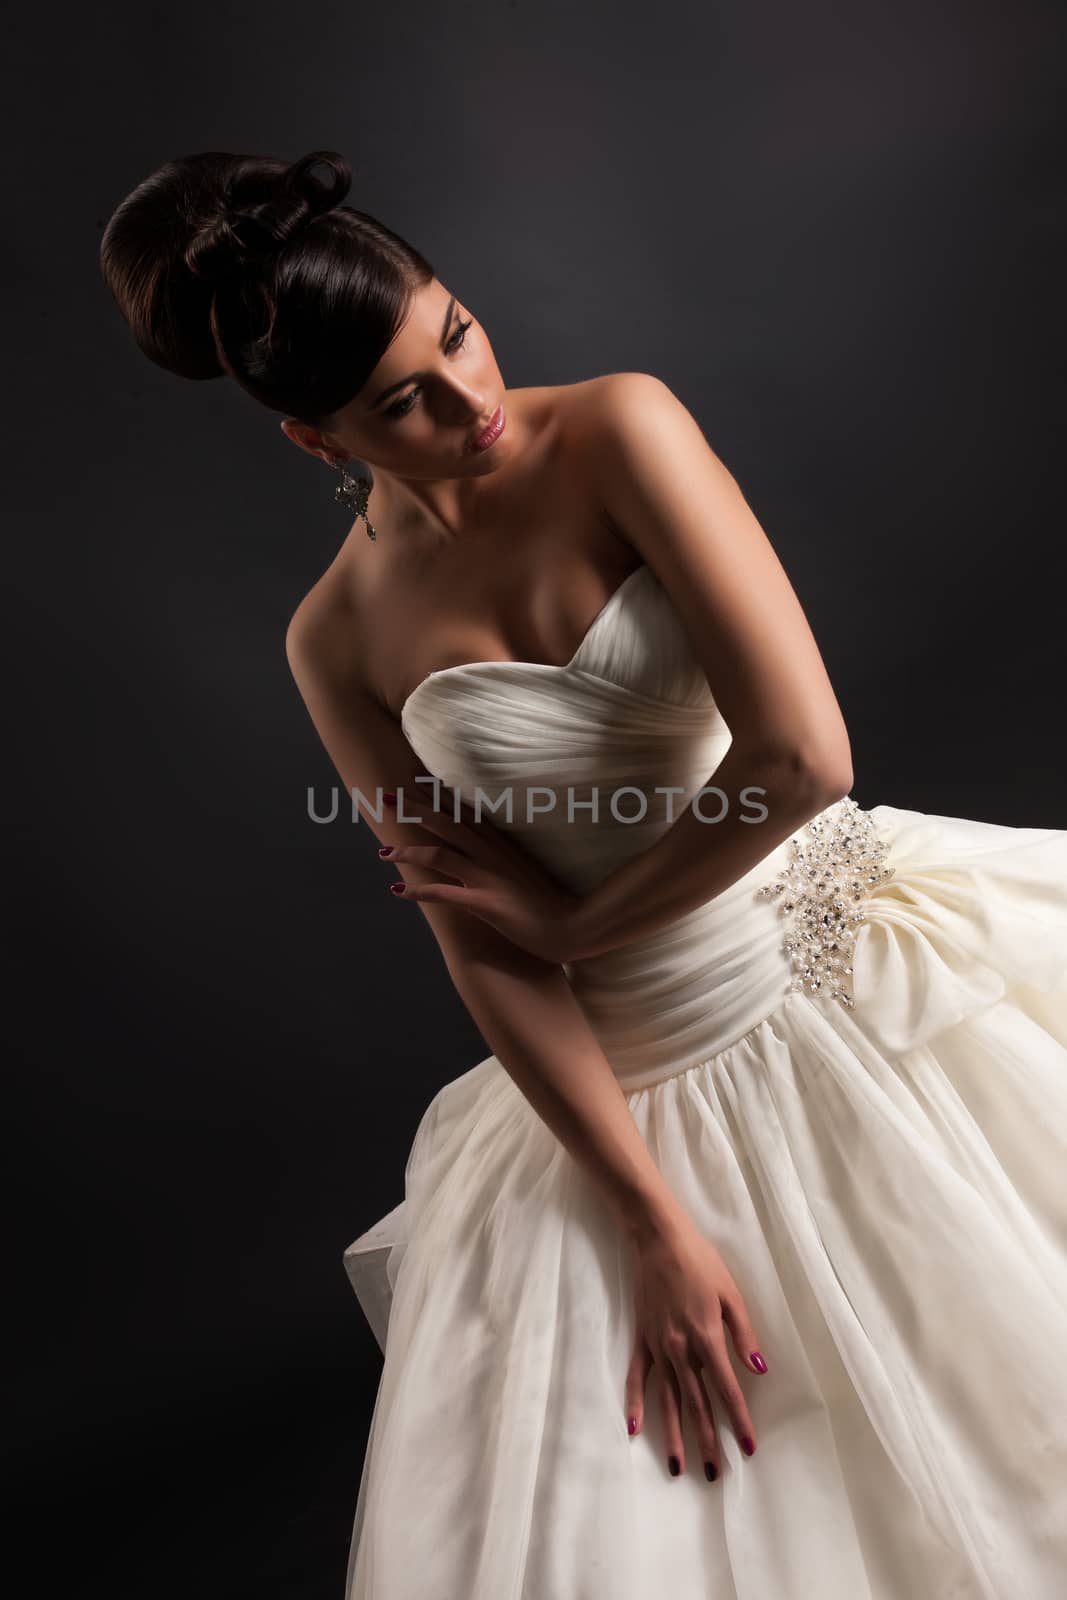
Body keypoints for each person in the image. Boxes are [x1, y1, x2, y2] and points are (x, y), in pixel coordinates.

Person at [100, 148, 1067, 1598]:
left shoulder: (622, 432)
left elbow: (803, 758)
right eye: (400, 405)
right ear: (318, 443)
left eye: (459, 333)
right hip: (627, 1083)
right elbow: (483, 946)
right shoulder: (336, 642)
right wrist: (648, 1219)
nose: (469, 403)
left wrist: (580, 917)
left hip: (836, 974)